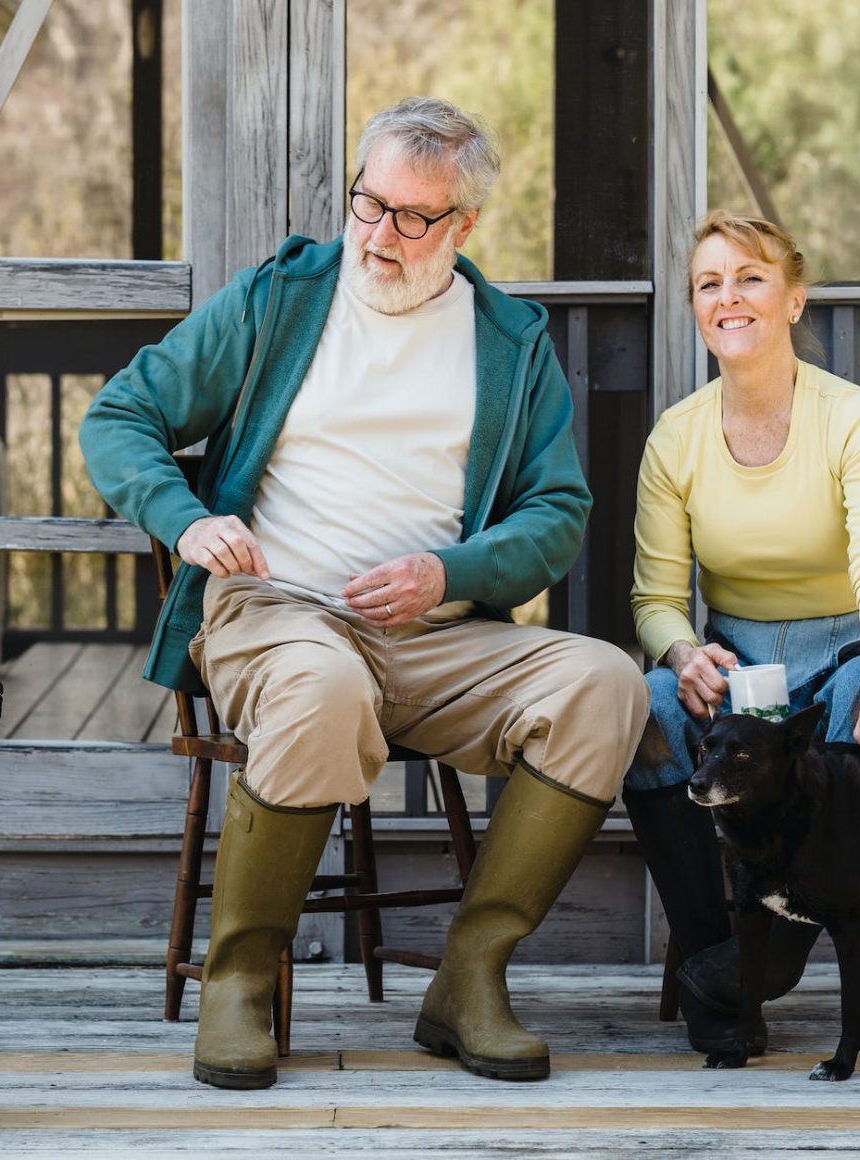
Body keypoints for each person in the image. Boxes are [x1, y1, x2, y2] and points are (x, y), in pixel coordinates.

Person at [81, 96, 648, 1089]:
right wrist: (185, 519)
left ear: (463, 226)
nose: (381, 236)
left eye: (412, 217)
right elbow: (121, 413)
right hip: (278, 614)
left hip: (438, 637)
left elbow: (555, 512)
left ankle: (469, 975)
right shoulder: (280, 299)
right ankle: (241, 978)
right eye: (367, 204)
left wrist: (448, 572)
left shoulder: (507, 344)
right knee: (323, 685)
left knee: (601, 683)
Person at [624, 209, 860, 1054]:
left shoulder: (847, 419)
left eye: (751, 277)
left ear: (795, 301)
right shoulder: (676, 438)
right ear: (696, 308)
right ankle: (715, 954)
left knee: (856, 713)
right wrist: (684, 653)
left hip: (845, 654)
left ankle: (752, 981)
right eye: (709, 283)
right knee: (644, 707)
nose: (730, 297)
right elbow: (653, 597)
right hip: (734, 664)